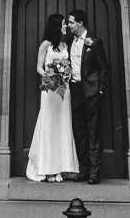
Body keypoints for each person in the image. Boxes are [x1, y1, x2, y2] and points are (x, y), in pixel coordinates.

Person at [25, 12, 79, 182]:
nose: (65, 26)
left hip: (64, 90)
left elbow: (68, 66)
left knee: (62, 126)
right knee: (48, 125)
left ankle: (60, 168)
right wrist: (52, 77)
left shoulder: (66, 46)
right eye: (63, 23)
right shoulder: (45, 45)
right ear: (56, 25)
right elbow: (38, 67)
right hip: (50, 89)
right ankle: (47, 168)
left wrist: (65, 76)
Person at [66, 8, 109, 184]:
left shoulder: (94, 42)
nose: (69, 25)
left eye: (71, 22)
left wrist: (100, 90)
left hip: (91, 92)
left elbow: (103, 67)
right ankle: (83, 170)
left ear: (80, 23)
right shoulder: (70, 42)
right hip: (75, 91)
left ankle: (94, 172)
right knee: (79, 132)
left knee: (93, 132)